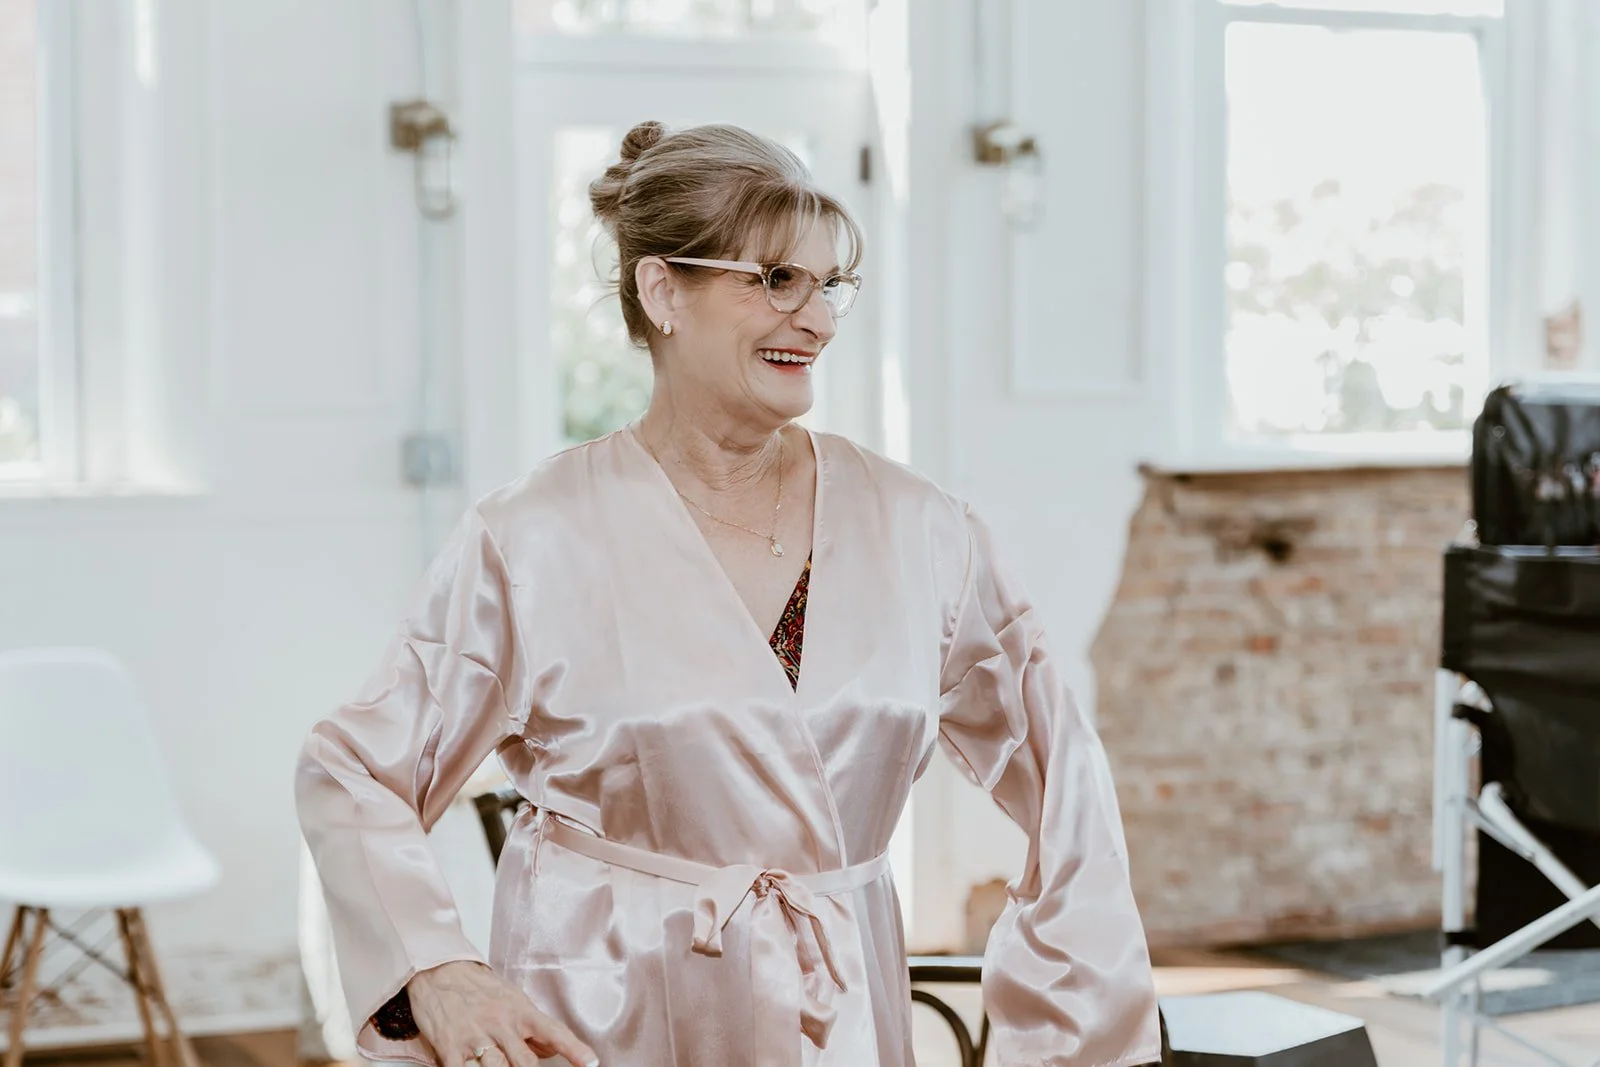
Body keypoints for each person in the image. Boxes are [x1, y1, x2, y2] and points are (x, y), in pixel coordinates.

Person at [295, 120, 1161, 1067]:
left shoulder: (923, 530)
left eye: (830, 284)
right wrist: (435, 966)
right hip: (603, 1019)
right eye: (777, 280)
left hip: (839, 1022)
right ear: (663, 291)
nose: (819, 319)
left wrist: (1072, 1034)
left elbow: (1069, 786)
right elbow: (353, 769)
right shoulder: (531, 538)